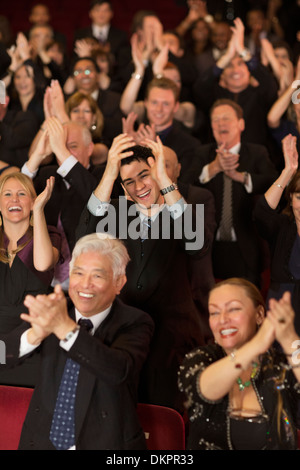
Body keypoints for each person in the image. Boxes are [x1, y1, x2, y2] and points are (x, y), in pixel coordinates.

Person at [76, 134, 210, 411]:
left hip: (172, 335)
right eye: (129, 181)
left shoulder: (181, 208)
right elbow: (83, 237)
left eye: (144, 175)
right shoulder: (115, 211)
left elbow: (198, 245)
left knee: (165, 419)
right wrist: (110, 171)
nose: (139, 186)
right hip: (123, 333)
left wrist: (163, 178)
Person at [3, 233, 154, 450]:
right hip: (42, 443)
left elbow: (119, 370)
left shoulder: (135, 322)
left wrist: (65, 329)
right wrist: (33, 335)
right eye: (78, 273)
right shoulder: (54, 309)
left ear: (119, 282)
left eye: (97, 276)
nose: (85, 285)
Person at [178, 277, 300, 450]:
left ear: (259, 315)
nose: (222, 319)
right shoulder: (200, 358)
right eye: (214, 312)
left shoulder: (279, 366)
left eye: (233, 309)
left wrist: (289, 338)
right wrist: (257, 344)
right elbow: (204, 389)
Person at [195, 98, 278, 287]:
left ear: (241, 124)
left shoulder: (257, 153)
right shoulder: (201, 154)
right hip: (209, 248)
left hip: (246, 246)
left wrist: (241, 177)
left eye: (226, 118)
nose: (220, 123)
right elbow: (182, 187)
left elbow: (274, 184)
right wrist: (213, 168)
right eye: (215, 119)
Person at [0, 172, 60, 386]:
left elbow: (43, 264)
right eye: (7, 194)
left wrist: (39, 211)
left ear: (33, 200)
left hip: (32, 341)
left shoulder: (49, 234)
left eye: (21, 194)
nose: (14, 199)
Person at [254, 133, 300, 335]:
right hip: (279, 306)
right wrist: (288, 172)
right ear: (291, 199)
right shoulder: (283, 225)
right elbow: (262, 212)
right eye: (299, 196)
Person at [122, 76, 203, 185]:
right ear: (146, 103)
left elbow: (182, 186)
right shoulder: (133, 137)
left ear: (175, 107)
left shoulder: (190, 145)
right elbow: (123, 183)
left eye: (166, 104)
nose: (159, 109)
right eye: (154, 102)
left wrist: (151, 151)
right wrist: (129, 146)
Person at [74, 0, 131, 73]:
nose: (101, 14)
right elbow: (75, 62)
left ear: (111, 13)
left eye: (105, 10)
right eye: (97, 10)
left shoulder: (121, 35)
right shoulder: (80, 34)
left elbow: (123, 63)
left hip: (113, 77)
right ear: (90, 13)